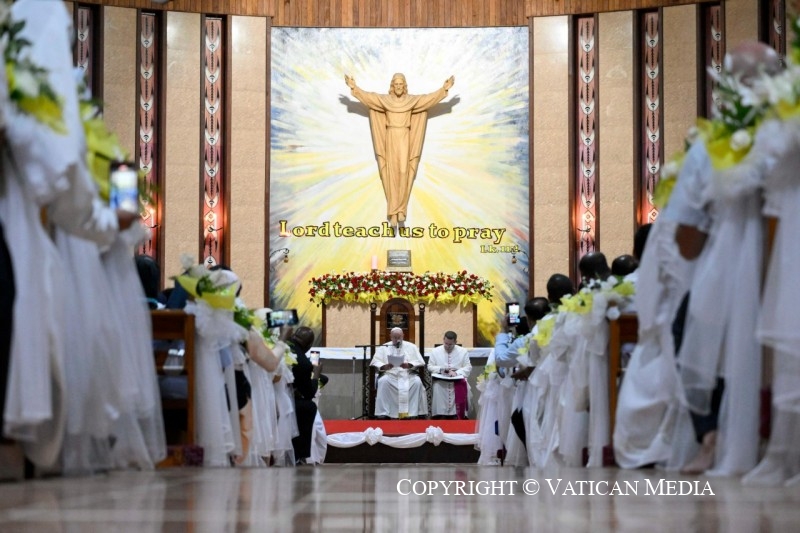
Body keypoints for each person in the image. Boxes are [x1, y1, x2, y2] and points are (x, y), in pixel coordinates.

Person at [344, 72, 455, 227]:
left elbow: (428, 99)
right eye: (396, 84)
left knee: (403, 171)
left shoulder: (411, 101)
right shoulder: (385, 100)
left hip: (404, 136)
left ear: (404, 86)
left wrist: (443, 89)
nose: (398, 87)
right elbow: (369, 97)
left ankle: (401, 209)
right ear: (392, 86)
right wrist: (354, 88)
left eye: (400, 84)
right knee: (391, 173)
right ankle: (393, 212)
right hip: (390, 136)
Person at [370, 327, 427, 419]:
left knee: (417, 382)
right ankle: (385, 413)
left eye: (399, 337)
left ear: (403, 336)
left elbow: (420, 361)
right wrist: (385, 366)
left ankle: (413, 413)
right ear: (390, 336)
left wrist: (409, 365)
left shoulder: (411, 346)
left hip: (408, 374)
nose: (397, 340)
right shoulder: (384, 347)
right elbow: (375, 361)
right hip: (390, 374)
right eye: (395, 337)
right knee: (383, 381)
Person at [286, 326, 322, 464]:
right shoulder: (304, 363)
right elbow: (309, 393)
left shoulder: (285, 346)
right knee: (309, 406)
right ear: (308, 345)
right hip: (288, 402)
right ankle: (300, 454)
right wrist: (316, 375)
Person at [427, 331, 471, 419]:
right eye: (446, 343)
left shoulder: (463, 351)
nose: (447, 346)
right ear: (443, 339)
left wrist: (457, 373)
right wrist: (441, 369)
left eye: (450, 344)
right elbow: (430, 366)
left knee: (466, 387)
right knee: (437, 387)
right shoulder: (435, 351)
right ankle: (439, 415)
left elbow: (468, 367)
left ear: (455, 342)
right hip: (441, 379)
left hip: (457, 379)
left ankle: (458, 415)